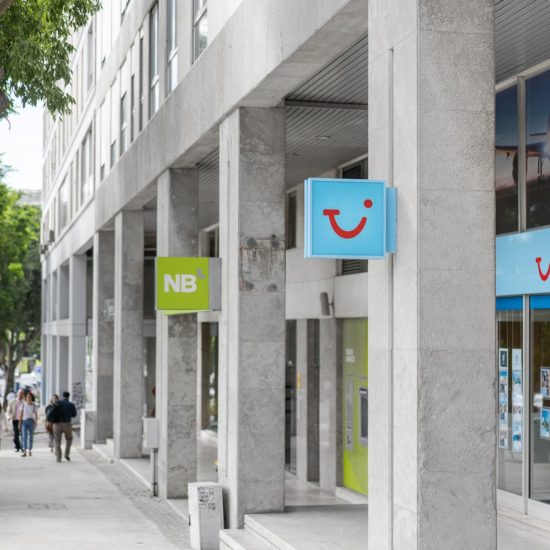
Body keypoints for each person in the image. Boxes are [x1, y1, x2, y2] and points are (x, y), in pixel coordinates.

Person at [53, 391, 77, 462]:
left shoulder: (57, 403)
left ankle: (58, 457)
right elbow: (74, 415)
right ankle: (66, 454)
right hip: (67, 424)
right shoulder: (71, 405)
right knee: (69, 439)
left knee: (57, 441)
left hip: (57, 424)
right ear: (69, 396)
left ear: (62, 396)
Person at [19, 392, 38, 457]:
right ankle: (24, 451)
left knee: (31, 436)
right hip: (24, 422)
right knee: (24, 436)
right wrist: (19, 423)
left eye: (30, 397)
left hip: (31, 422)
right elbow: (21, 415)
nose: (29, 398)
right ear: (26, 398)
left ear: (32, 398)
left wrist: (36, 422)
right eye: (28, 397)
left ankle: (30, 450)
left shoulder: (34, 405)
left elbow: (36, 415)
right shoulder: (23, 405)